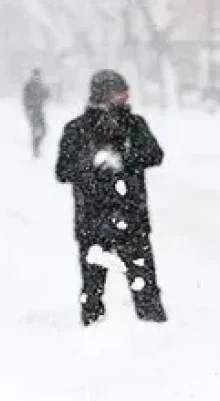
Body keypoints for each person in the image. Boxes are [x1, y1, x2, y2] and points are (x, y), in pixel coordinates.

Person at [55, 70, 167, 326]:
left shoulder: (135, 125)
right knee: (93, 289)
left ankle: (157, 337)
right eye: (120, 92)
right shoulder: (77, 129)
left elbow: (155, 154)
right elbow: (63, 171)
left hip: (132, 218)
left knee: (145, 286)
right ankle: (93, 337)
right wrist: (91, 166)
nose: (126, 97)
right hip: (92, 221)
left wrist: (123, 160)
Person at [23, 69, 50, 158]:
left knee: (44, 130)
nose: (37, 77)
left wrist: (46, 93)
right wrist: (29, 109)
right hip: (32, 111)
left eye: (38, 75)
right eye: (35, 75)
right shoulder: (28, 85)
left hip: (39, 110)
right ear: (32, 75)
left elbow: (47, 95)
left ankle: (36, 146)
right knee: (36, 130)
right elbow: (25, 99)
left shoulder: (41, 85)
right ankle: (35, 149)